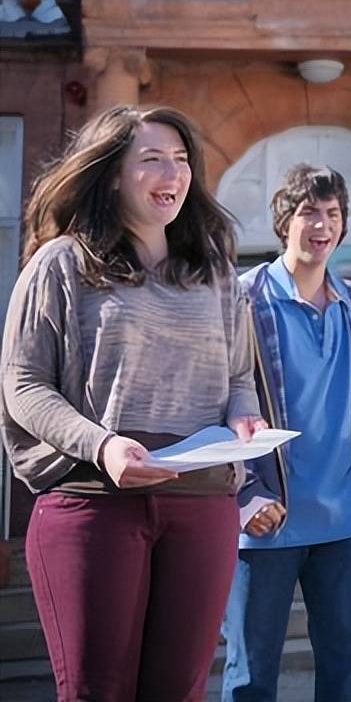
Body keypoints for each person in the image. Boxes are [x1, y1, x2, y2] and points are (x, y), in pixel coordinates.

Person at [0, 105, 265, 702]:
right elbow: (22, 385)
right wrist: (103, 444)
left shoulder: (216, 272)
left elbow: (240, 375)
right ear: (112, 174)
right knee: (98, 691)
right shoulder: (61, 264)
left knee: (180, 692)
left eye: (181, 161)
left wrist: (243, 418)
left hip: (202, 505)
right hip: (93, 502)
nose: (172, 172)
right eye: (151, 160)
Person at [220, 164, 351, 702]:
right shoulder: (243, 297)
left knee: (348, 673)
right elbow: (218, 400)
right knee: (250, 677)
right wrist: (246, 492)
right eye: (308, 213)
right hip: (267, 519)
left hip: (343, 518)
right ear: (284, 221)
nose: (321, 225)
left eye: (332, 214)